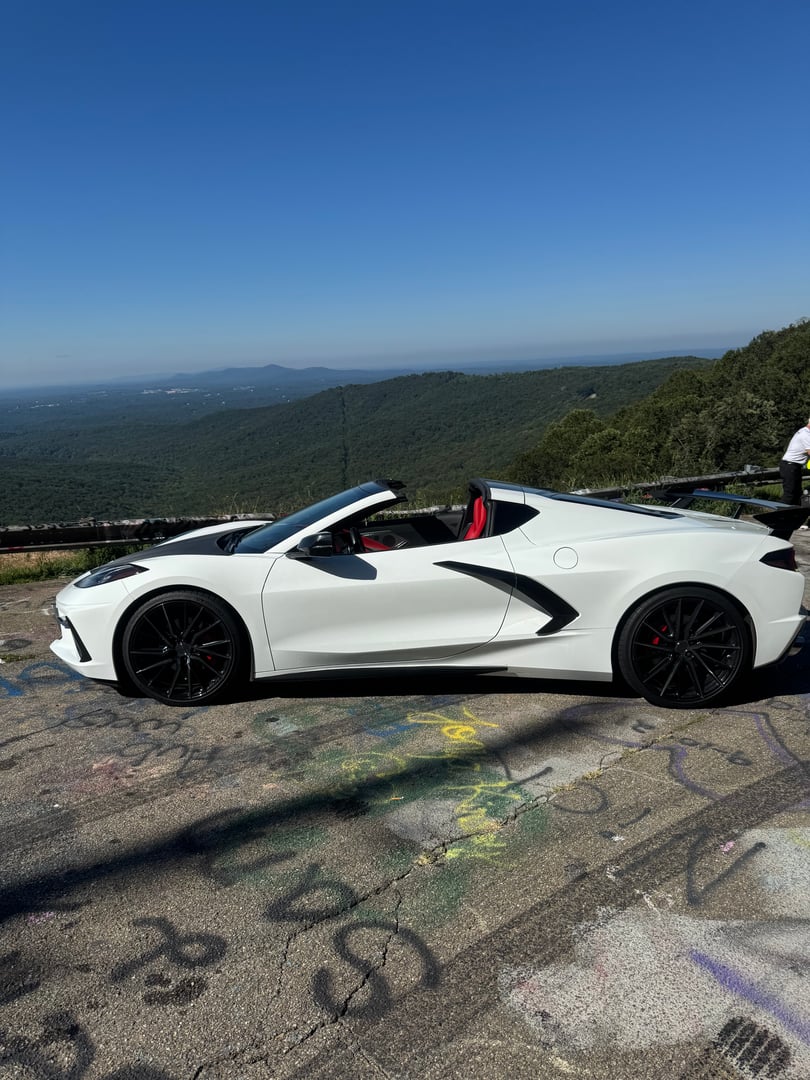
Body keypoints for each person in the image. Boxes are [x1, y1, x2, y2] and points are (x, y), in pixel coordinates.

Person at [780, 418, 810, 505]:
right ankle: (779, 515)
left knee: (797, 493)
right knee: (790, 494)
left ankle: (795, 515)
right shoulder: (806, 435)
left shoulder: (804, 432)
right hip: (790, 465)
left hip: (794, 466)